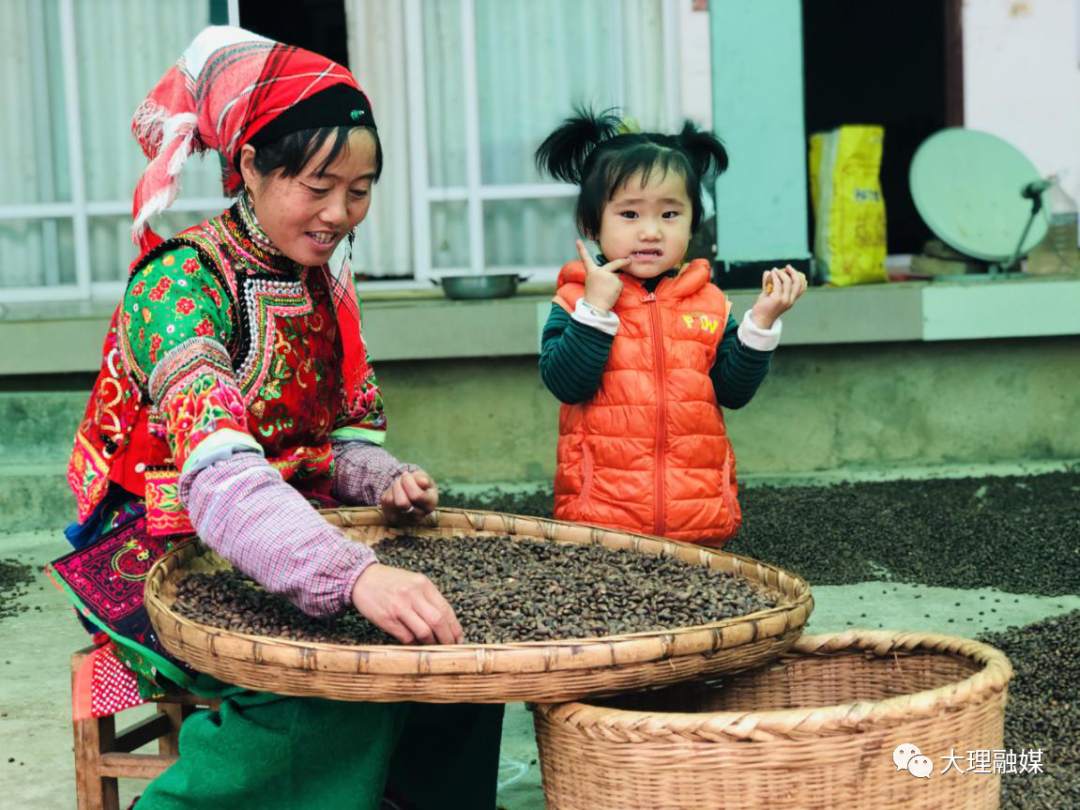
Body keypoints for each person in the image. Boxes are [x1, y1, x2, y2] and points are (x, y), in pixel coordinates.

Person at [50, 26, 502, 809]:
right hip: (156, 547)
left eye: (358, 192)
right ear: (251, 166)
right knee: (318, 682)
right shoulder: (181, 285)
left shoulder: (321, 283)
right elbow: (220, 480)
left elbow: (322, 449)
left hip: (286, 523)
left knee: (456, 657)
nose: (339, 213)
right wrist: (354, 576)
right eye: (318, 185)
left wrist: (382, 478)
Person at [536, 108, 807, 547]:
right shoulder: (575, 299)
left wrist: (761, 322)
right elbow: (567, 383)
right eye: (629, 214)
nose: (650, 232)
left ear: (692, 223)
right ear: (592, 224)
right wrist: (597, 310)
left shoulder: (709, 302)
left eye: (669, 215)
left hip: (698, 521)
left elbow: (731, 394)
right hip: (600, 523)